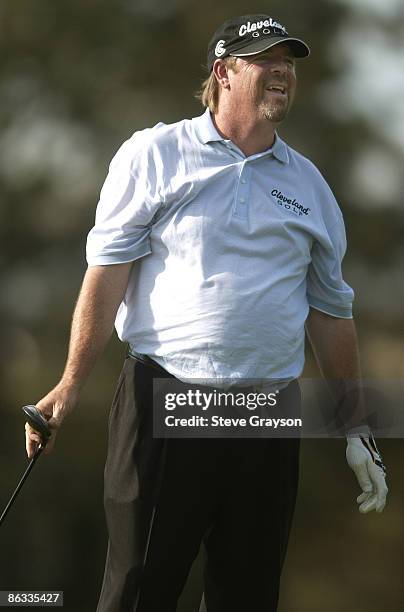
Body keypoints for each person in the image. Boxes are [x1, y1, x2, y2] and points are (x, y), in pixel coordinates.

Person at [25, 13, 388, 612]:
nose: (282, 73)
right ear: (223, 72)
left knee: (247, 595)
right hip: (168, 395)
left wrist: (356, 425)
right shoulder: (155, 154)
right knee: (140, 590)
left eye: (289, 64)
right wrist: (68, 386)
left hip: (266, 413)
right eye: (266, 61)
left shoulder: (311, 186)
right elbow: (108, 274)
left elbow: (330, 310)